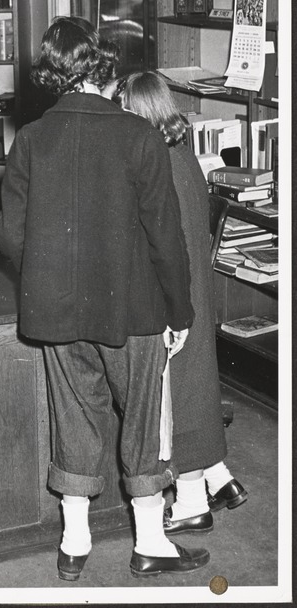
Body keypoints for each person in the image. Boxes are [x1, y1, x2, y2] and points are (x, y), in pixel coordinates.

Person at [0, 16, 207, 580]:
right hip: (135, 310)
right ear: (102, 68)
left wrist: (46, 272)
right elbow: (167, 237)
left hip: (57, 310)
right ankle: (152, 544)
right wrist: (179, 311)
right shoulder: (138, 134)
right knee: (141, 420)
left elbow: (9, 234)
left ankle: (74, 542)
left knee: (74, 418)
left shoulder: (33, 139)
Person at [117, 71, 248, 531]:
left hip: (175, 295)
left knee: (176, 400)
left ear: (138, 110)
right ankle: (218, 477)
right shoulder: (181, 152)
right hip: (196, 287)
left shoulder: (153, 162)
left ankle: (192, 503)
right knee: (194, 389)